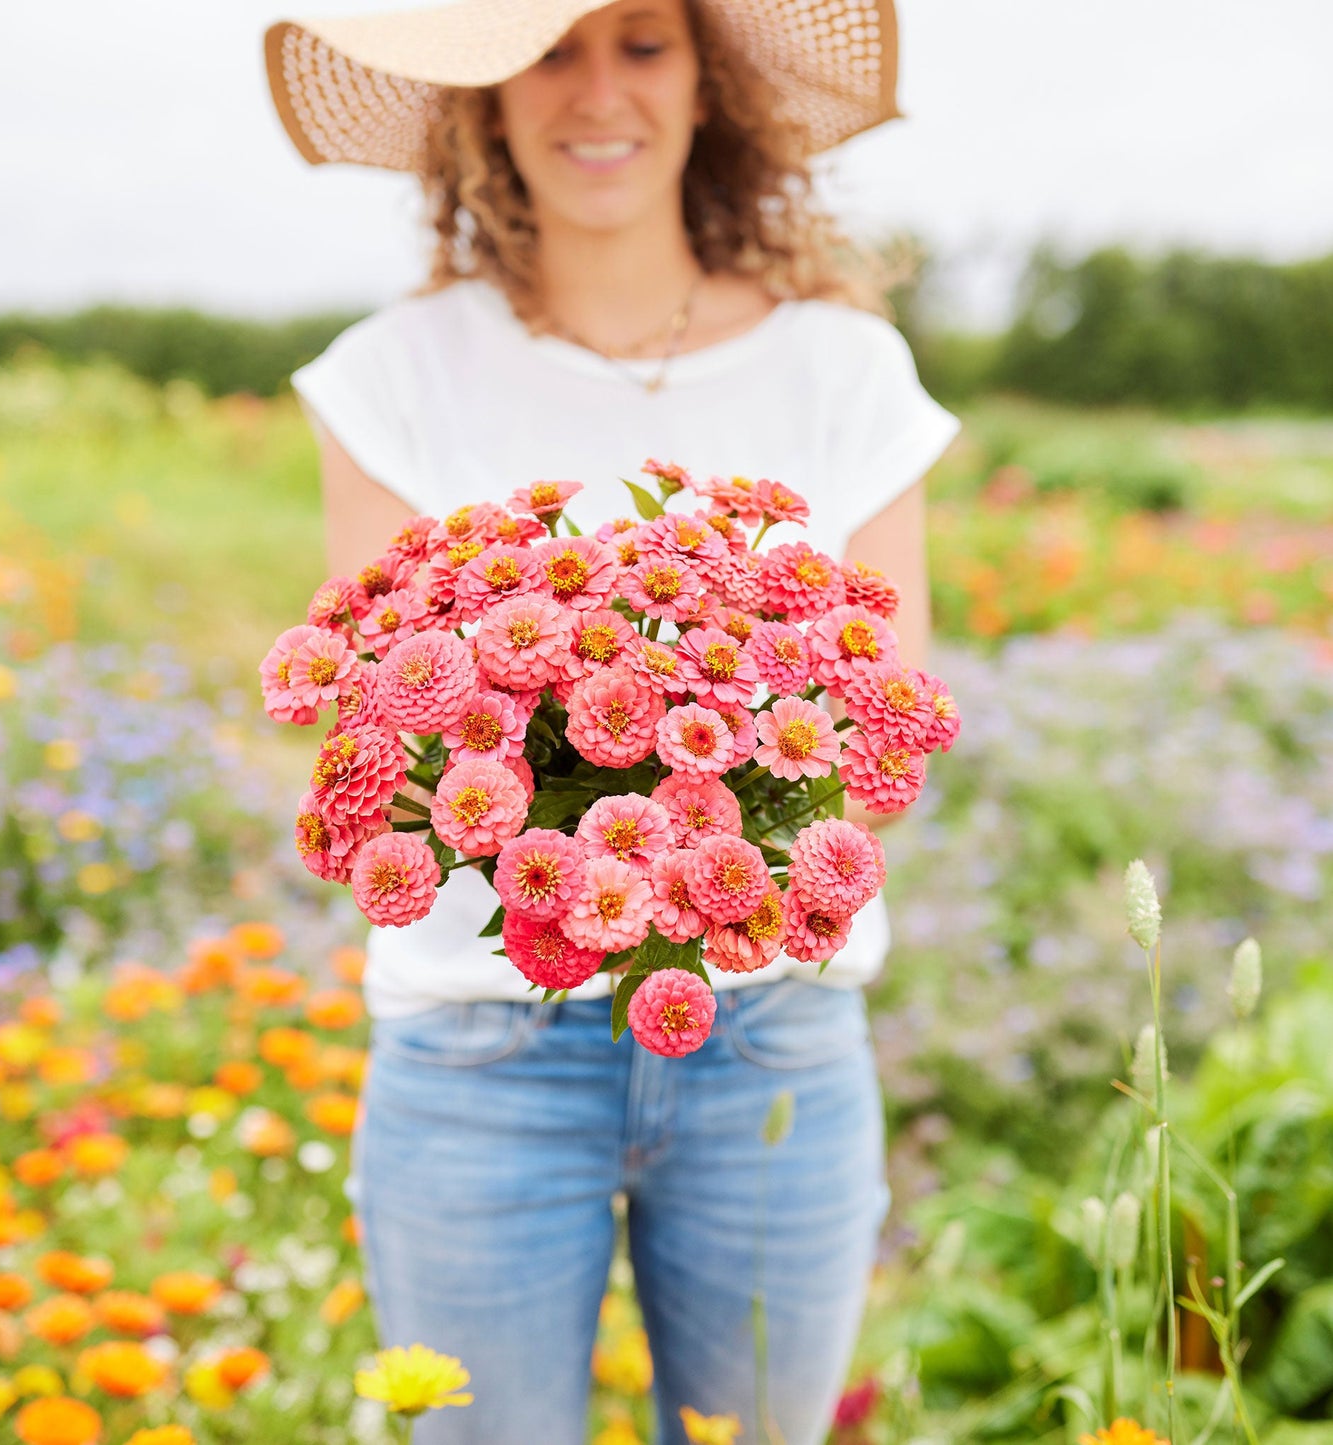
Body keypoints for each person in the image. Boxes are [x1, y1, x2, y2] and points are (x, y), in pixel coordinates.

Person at [264, 0, 959, 1438]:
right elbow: (381, 720)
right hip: (481, 1055)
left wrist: (694, 768)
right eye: (548, 49)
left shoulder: (840, 368)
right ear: (484, 102)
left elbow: (884, 739)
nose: (597, 92)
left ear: (711, 85)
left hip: (770, 1033)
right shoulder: (395, 371)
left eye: (641, 43)